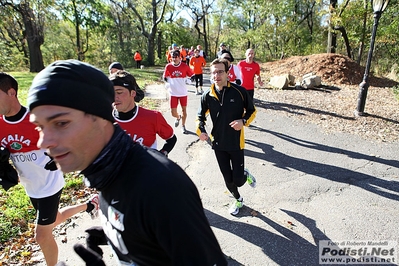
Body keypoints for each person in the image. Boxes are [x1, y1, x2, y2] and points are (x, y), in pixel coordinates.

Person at [27, 59, 227, 266]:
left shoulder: (160, 187)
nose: (44, 142)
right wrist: (119, 237)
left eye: (61, 123)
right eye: (39, 127)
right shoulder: (107, 172)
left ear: (100, 117)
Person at [0, 72, 99, 266]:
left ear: (11, 92)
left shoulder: (37, 118)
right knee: (53, 220)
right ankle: (89, 204)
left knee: (42, 236)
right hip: (31, 185)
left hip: (50, 182)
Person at [196, 58, 257, 216]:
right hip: (218, 144)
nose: (217, 75)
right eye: (214, 72)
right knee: (227, 178)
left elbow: (252, 111)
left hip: (236, 142)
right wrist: (201, 130)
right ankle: (238, 199)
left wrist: (242, 121)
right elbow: (200, 116)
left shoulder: (239, 91)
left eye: (220, 71)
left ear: (228, 73)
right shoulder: (207, 95)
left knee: (237, 179)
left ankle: (245, 174)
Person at [110, 70, 177, 156]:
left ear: (133, 93)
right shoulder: (103, 120)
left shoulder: (153, 117)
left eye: (119, 92)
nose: (115, 97)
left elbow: (171, 139)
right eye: (111, 92)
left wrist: (162, 154)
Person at [163, 50, 194, 134]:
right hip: (173, 93)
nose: (174, 58)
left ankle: (183, 126)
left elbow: (192, 75)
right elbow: (165, 76)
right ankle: (178, 117)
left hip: (183, 92)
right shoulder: (168, 66)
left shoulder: (184, 66)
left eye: (176, 57)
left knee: (184, 110)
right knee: (173, 112)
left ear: (180, 58)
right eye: (173, 57)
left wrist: (189, 80)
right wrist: (167, 82)